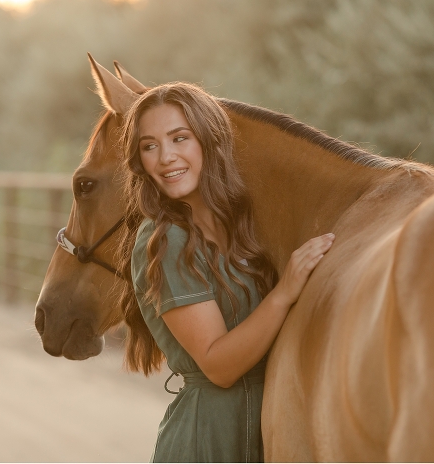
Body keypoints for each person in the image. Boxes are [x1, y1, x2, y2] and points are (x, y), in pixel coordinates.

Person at [116, 82, 335, 462]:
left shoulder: (240, 225)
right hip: (208, 442)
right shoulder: (166, 241)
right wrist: (284, 292)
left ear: (210, 139)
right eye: (149, 146)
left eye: (179, 138)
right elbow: (219, 366)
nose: (166, 157)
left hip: (267, 430)